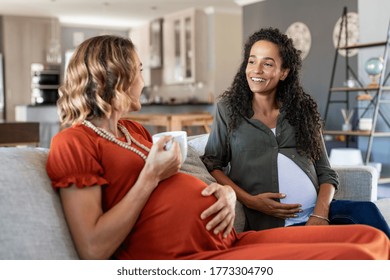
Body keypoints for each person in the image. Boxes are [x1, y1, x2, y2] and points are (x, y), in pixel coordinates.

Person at [46, 34, 390, 260]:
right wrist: (150, 176)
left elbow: (186, 183)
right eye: (137, 70)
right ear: (116, 76)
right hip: (191, 256)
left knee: (370, 238)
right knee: (356, 257)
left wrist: (226, 195)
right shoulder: (73, 143)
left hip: (227, 240)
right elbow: (93, 249)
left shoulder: (132, 130)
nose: (143, 79)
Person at [201, 27, 390, 237]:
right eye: (252, 61)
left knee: (367, 213)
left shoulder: (302, 111)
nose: (256, 70)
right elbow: (213, 164)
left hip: (318, 216)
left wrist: (320, 215)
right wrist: (250, 201)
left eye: (268, 63)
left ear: (284, 72)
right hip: (274, 226)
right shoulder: (227, 110)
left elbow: (326, 172)